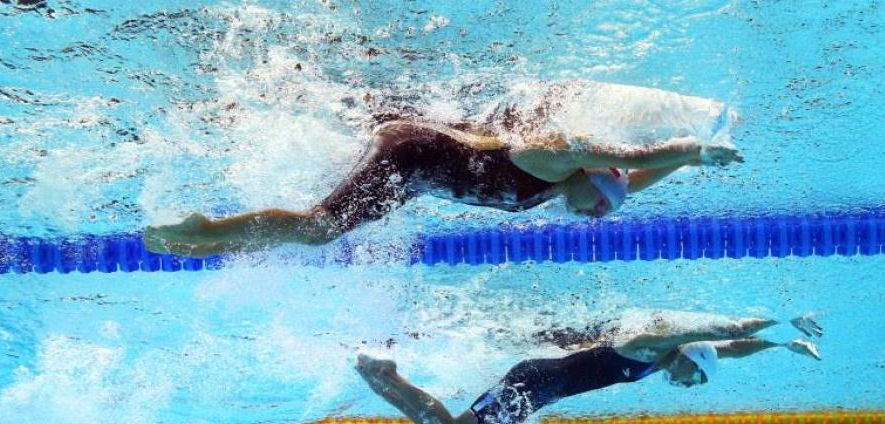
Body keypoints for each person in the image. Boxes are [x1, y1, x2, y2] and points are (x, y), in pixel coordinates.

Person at [142, 81, 742, 257]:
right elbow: (627, 165)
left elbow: (629, 181)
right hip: (411, 155)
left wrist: (682, 168)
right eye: (604, 205)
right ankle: (209, 229)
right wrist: (691, 149)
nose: (598, 216)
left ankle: (224, 239)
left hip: (415, 174)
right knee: (322, 228)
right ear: (593, 177)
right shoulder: (552, 157)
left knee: (320, 229)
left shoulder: (573, 185)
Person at [354, 314, 823, 424]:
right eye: (694, 380)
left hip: (539, 393)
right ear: (687, 360)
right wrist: (780, 318)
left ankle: (377, 376)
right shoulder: (647, 348)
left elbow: (731, 349)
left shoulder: (661, 363)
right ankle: (388, 374)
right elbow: (722, 335)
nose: (689, 388)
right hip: (533, 382)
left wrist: (781, 344)